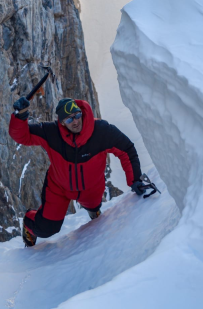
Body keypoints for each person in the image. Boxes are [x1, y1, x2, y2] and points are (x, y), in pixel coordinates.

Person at [9, 96, 147, 246]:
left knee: (94, 206)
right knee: (46, 229)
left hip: (91, 187)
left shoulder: (101, 130)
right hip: (58, 188)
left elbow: (126, 149)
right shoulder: (51, 133)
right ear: (61, 123)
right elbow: (23, 136)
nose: (75, 121)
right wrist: (20, 116)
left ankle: (93, 209)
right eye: (69, 119)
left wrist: (135, 180)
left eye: (77, 115)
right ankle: (29, 222)